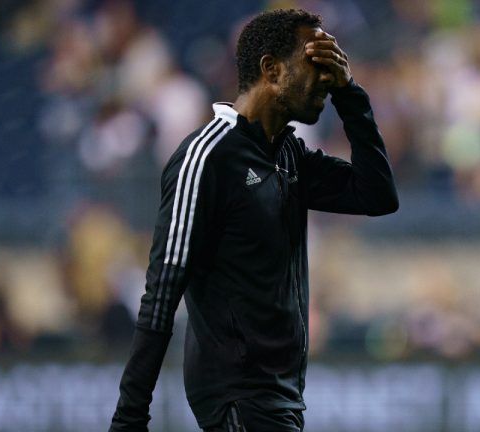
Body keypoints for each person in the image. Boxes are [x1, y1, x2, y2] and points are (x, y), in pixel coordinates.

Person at [109, 8, 398, 432]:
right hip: (238, 398)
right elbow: (161, 294)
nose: (326, 77)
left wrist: (350, 93)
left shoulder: (289, 156)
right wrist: (129, 417)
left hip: (280, 400)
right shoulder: (207, 158)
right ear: (271, 69)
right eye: (315, 64)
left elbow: (378, 195)